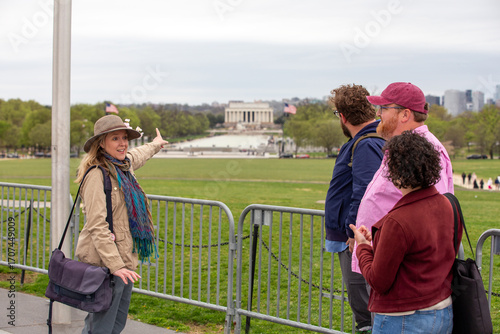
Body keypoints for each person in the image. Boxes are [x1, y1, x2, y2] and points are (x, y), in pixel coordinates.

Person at [350, 131, 461, 334]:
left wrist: (363, 248)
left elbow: (378, 281)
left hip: (403, 318)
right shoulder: (449, 205)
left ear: (396, 172)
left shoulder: (398, 221)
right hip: (443, 312)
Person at [75, 115, 168, 334]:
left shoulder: (123, 166)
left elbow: (138, 155)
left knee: (116, 324)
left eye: (124, 137)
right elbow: (97, 225)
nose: (123, 143)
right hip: (105, 262)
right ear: (102, 143)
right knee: (100, 326)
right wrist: (115, 266)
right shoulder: (97, 175)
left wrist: (155, 145)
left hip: (125, 259)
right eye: (115, 138)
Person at [352, 82, 454, 275]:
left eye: (383, 108)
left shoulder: (425, 150)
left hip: (402, 270)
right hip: (382, 258)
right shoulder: (403, 147)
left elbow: (434, 215)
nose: (378, 114)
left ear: (405, 115)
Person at [324, 84, 385, 333]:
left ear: (343, 116)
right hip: (354, 236)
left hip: (357, 239)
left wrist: (352, 236)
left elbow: (365, 194)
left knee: (365, 310)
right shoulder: (363, 141)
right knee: (363, 307)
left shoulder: (366, 144)